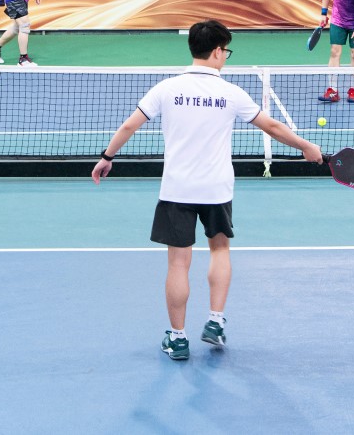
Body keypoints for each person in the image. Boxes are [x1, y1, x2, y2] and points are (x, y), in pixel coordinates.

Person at [91, 19, 322, 361]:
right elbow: (272, 126)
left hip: (177, 189)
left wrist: (107, 157)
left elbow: (129, 125)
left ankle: (177, 338)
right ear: (216, 51)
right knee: (219, 250)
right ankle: (215, 320)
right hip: (216, 189)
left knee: (178, 264)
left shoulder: (167, 89)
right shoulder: (231, 93)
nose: (225, 57)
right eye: (225, 51)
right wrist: (306, 146)